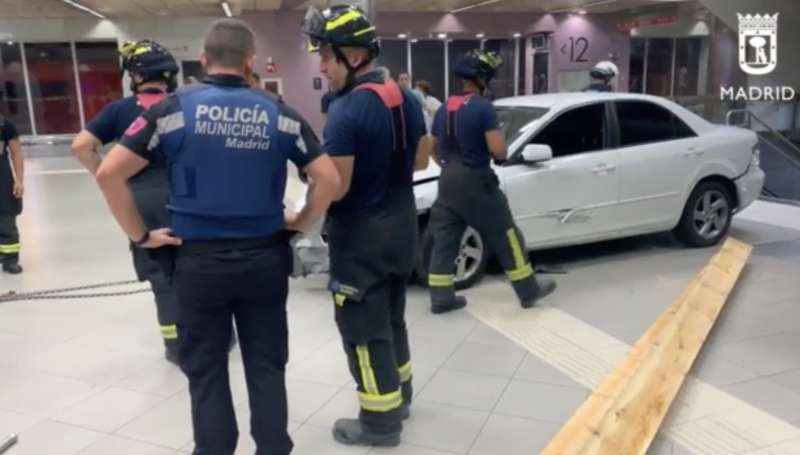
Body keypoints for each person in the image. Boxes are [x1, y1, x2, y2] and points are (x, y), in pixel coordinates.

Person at [94, 19, 340, 455]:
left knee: (205, 370)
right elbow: (328, 177)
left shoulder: (169, 110)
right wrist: (301, 221)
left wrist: (142, 236)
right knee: (266, 366)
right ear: (250, 63)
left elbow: (109, 172)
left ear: (203, 59)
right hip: (264, 260)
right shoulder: (279, 112)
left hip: (197, 264)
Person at [303, 4, 428, 447]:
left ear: (353, 56)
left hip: (361, 239)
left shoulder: (347, 110)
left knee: (362, 329)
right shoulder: (405, 98)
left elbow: (336, 186)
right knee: (393, 320)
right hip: (402, 227)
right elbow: (421, 159)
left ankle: (379, 423)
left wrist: (302, 212)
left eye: (325, 56)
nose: (321, 66)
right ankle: (401, 396)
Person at [71, 39, 184, 363]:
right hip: (187, 196)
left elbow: (81, 146)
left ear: (134, 76)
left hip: (143, 200)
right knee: (199, 268)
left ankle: (175, 345)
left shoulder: (120, 110)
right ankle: (215, 335)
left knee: (161, 278)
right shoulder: (185, 105)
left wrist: (107, 178)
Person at [427, 49, 556, 314]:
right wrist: (500, 153)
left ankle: (441, 298)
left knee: (445, 240)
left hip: (448, 179)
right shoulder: (482, 107)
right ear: (482, 77)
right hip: (476, 181)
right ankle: (528, 290)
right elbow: (498, 149)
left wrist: (448, 164)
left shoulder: (443, 108)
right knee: (507, 234)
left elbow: (433, 148)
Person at [0, 114, 23, 274]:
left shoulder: (4, 125)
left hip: (2, 177)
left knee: (6, 218)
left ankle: (10, 260)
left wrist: (19, 180)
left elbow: (16, 152)